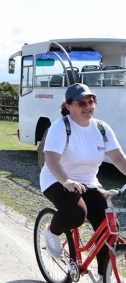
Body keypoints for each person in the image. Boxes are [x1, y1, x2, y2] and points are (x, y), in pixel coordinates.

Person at [40, 83, 126, 277]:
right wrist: (66, 181)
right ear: (68, 106)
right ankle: (52, 232)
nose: (88, 106)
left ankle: (105, 276)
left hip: (89, 182)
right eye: (81, 103)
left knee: (110, 230)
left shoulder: (102, 128)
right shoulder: (61, 127)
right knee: (76, 213)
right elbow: (51, 159)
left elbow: (119, 158)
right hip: (57, 178)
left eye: (91, 101)